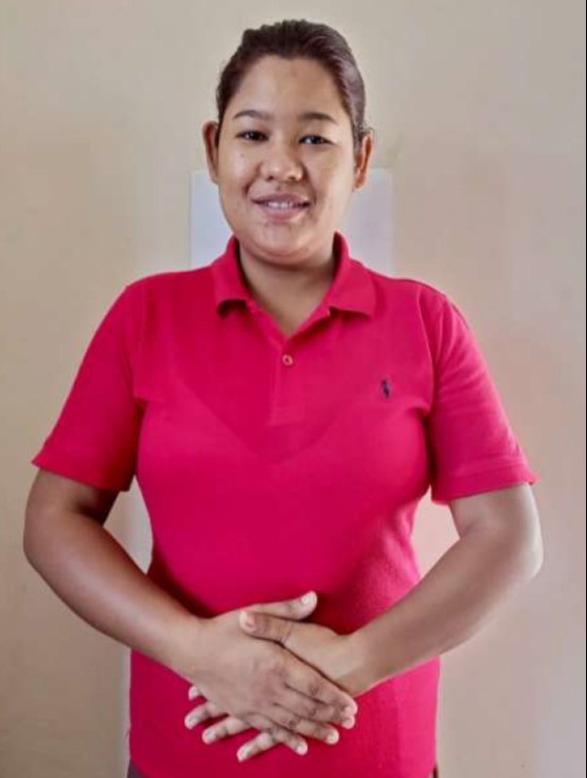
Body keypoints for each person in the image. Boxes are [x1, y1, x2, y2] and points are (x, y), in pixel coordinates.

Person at [24, 19, 543, 778]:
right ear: (214, 149)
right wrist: (196, 651)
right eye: (253, 134)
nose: (281, 166)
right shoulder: (146, 317)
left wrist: (350, 665)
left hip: (380, 754)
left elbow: (507, 537)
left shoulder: (425, 322)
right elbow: (53, 520)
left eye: (314, 138)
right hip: (180, 755)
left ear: (359, 159)